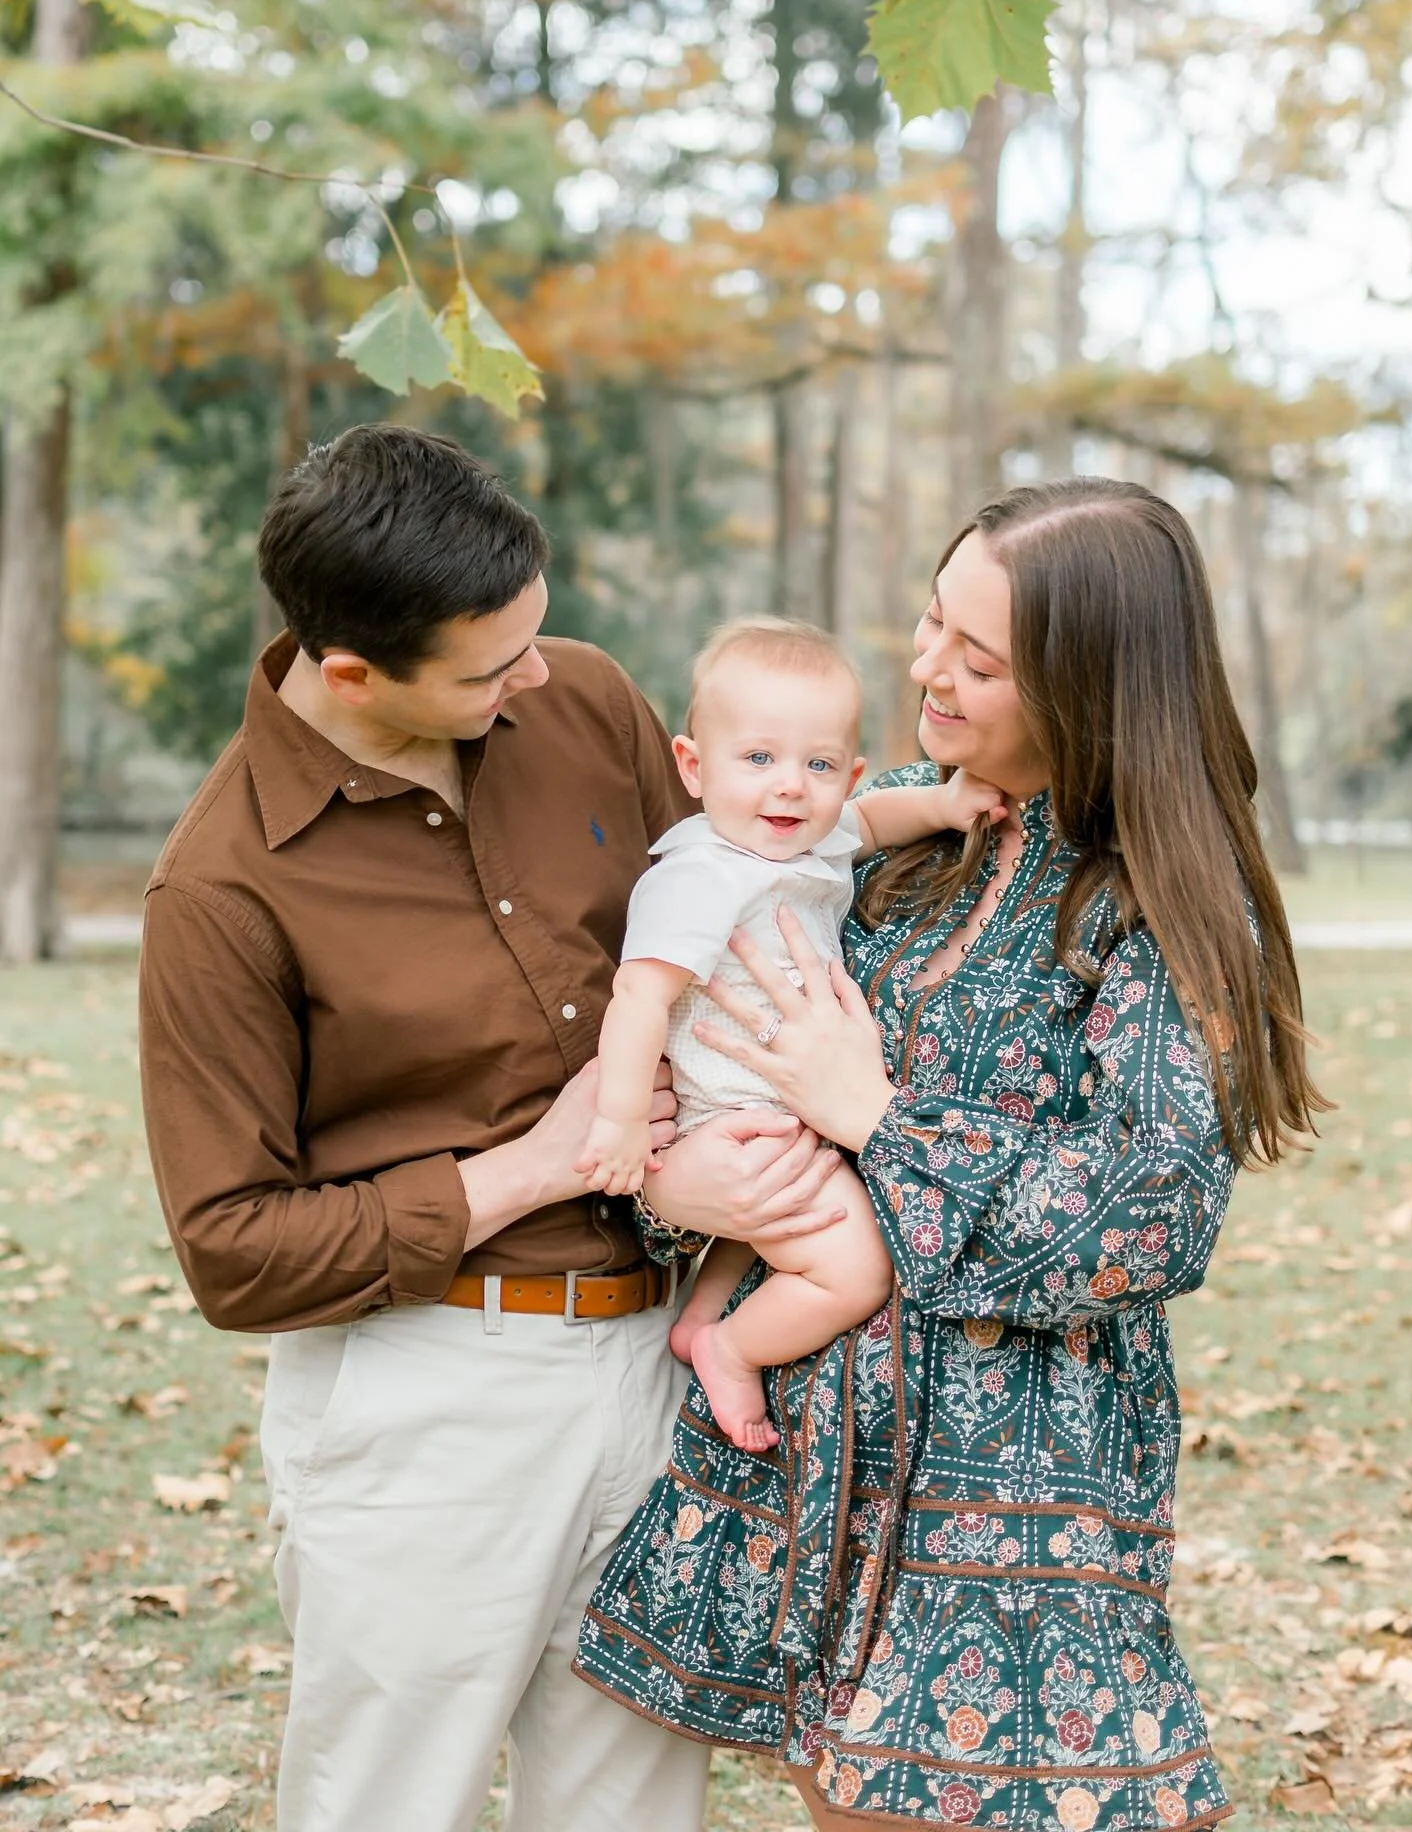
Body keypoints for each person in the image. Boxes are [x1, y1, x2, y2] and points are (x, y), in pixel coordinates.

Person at [575, 479, 1326, 1831]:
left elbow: (1144, 1219)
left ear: (1091, 685)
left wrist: (876, 1116)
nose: (925, 668)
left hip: (1017, 1502)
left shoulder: (1154, 901)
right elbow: (707, 1047)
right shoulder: (891, 840)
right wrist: (683, 1189)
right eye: (933, 623)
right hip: (818, 1467)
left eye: (978, 659)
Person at [136, 424, 849, 1832]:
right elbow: (233, 1255)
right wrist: (531, 1162)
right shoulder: (220, 891)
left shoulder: (579, 699)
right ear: (351, 671)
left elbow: (742, 895)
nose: (535, 671)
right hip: (425, 1401)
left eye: (534, 634)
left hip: (656, 1362)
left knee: (630, 1809)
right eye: (488, 664)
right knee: (390, 1807)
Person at [580, 617, 1006, 1453]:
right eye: (758, 759)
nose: (788, 788)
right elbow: (636, 994)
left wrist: (949, 803)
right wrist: (621, 1118)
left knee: (764, 1234)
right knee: (854, 1269)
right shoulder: (701, 875)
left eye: (817, 766)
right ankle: (729, 1347)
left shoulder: (814, 836)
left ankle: (702, 1315)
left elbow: (876, 821)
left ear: (844, 775)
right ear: (693, 767)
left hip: (792, 1107)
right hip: (736, 1118)